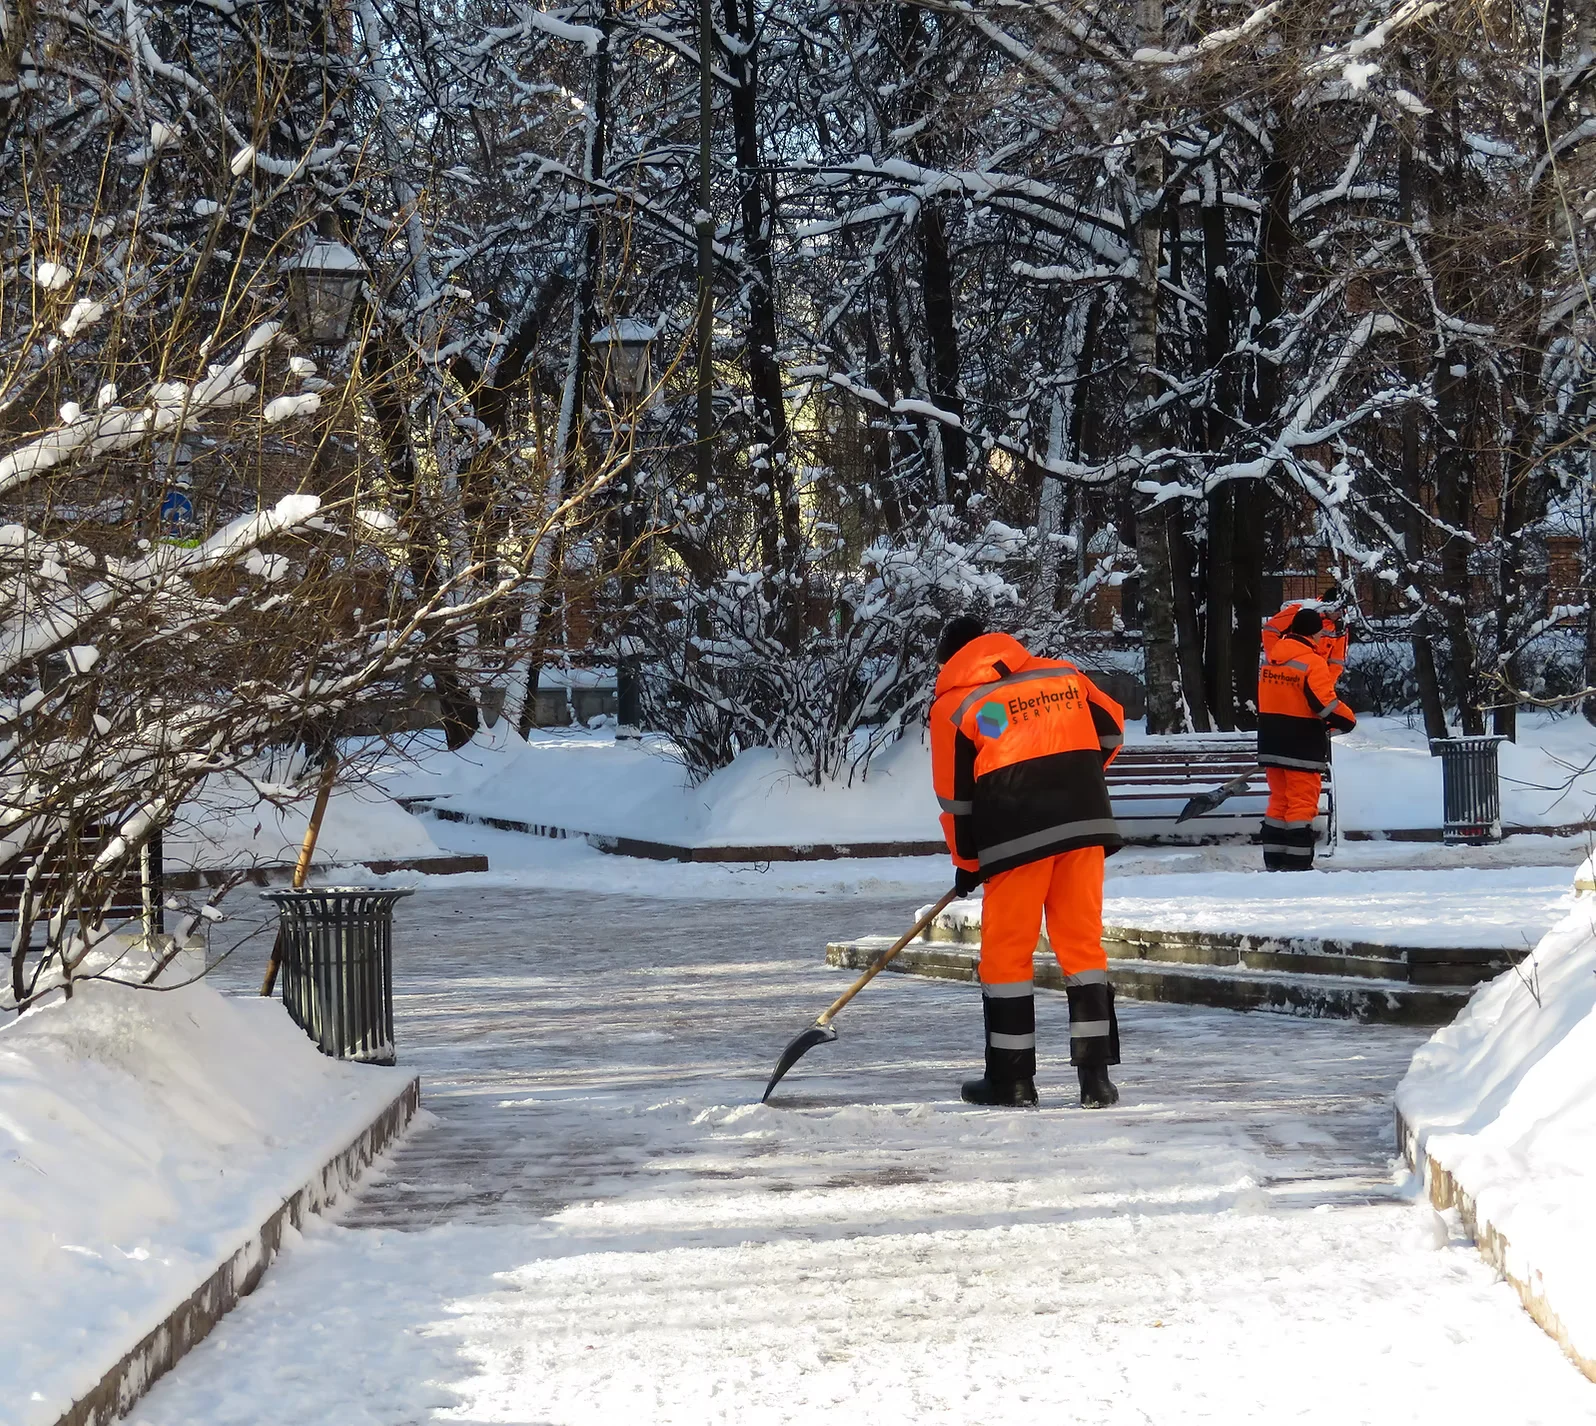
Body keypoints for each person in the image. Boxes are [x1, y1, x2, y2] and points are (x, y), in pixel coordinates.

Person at [929, 614, 1126, 1109]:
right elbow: (1112, 728)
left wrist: (968, 858)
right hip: (1083, 827)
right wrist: (1070, 778)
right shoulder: (1061, 675)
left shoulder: (960, 705)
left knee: (1007, 954)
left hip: (1015, 836)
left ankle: (1012, 1083)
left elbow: (957, 797)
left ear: (950, 660)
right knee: (1082, 947)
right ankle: (1095, 1081)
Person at [1257, 606, 1356, 870]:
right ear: (1314, 633)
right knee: (1301, 803)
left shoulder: (1271, 658)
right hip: (1301, 742)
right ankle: (1298, 863)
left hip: (1271, 740)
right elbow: (1324, 703)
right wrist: (1348, 720)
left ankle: (1274, 859)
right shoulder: (1312, 662)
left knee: (1279, 801)